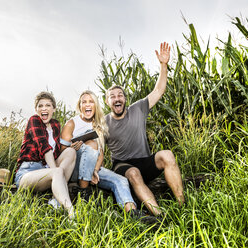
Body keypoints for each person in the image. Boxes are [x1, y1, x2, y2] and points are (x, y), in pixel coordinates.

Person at [104, 42, 185, 216]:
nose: (117, 99)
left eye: (120, 95)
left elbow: (159, 90)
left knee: (167, 155)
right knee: (133, 173)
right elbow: (95, 147)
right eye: (112, 97)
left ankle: (182, 207)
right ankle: (159, 215)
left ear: (125, 99)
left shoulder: (138, 108)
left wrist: (163, 65)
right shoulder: (104, 122)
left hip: (144, 161)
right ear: (107, 102)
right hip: (122, 166)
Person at [61, 90, 157, 223]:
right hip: (75, 169)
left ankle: (133, 213)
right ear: (80, 105)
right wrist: (77, 146)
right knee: (90, 145)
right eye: (84, 102)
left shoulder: (99, 125)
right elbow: (63, 152)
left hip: (94, 168)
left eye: (91, 101)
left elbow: (100, 152)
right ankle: (84, 192)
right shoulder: (72, 123)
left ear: (95, 105)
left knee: (120, 180)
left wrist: (95, 169)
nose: (88, 104)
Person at [14, 91, 76, 218]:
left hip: (46, 169)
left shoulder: (55, 125)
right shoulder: (34, 120)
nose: (44, 108)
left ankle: (55, 200)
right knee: (57, 172)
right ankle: (71, 213)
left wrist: (73, 145)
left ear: (54, 108)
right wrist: (56, 172)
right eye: (40, 106)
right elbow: (45, 149)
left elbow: (57, 152)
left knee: (71, 152)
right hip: (27, 172)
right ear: (36, 109)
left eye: (48, 105)